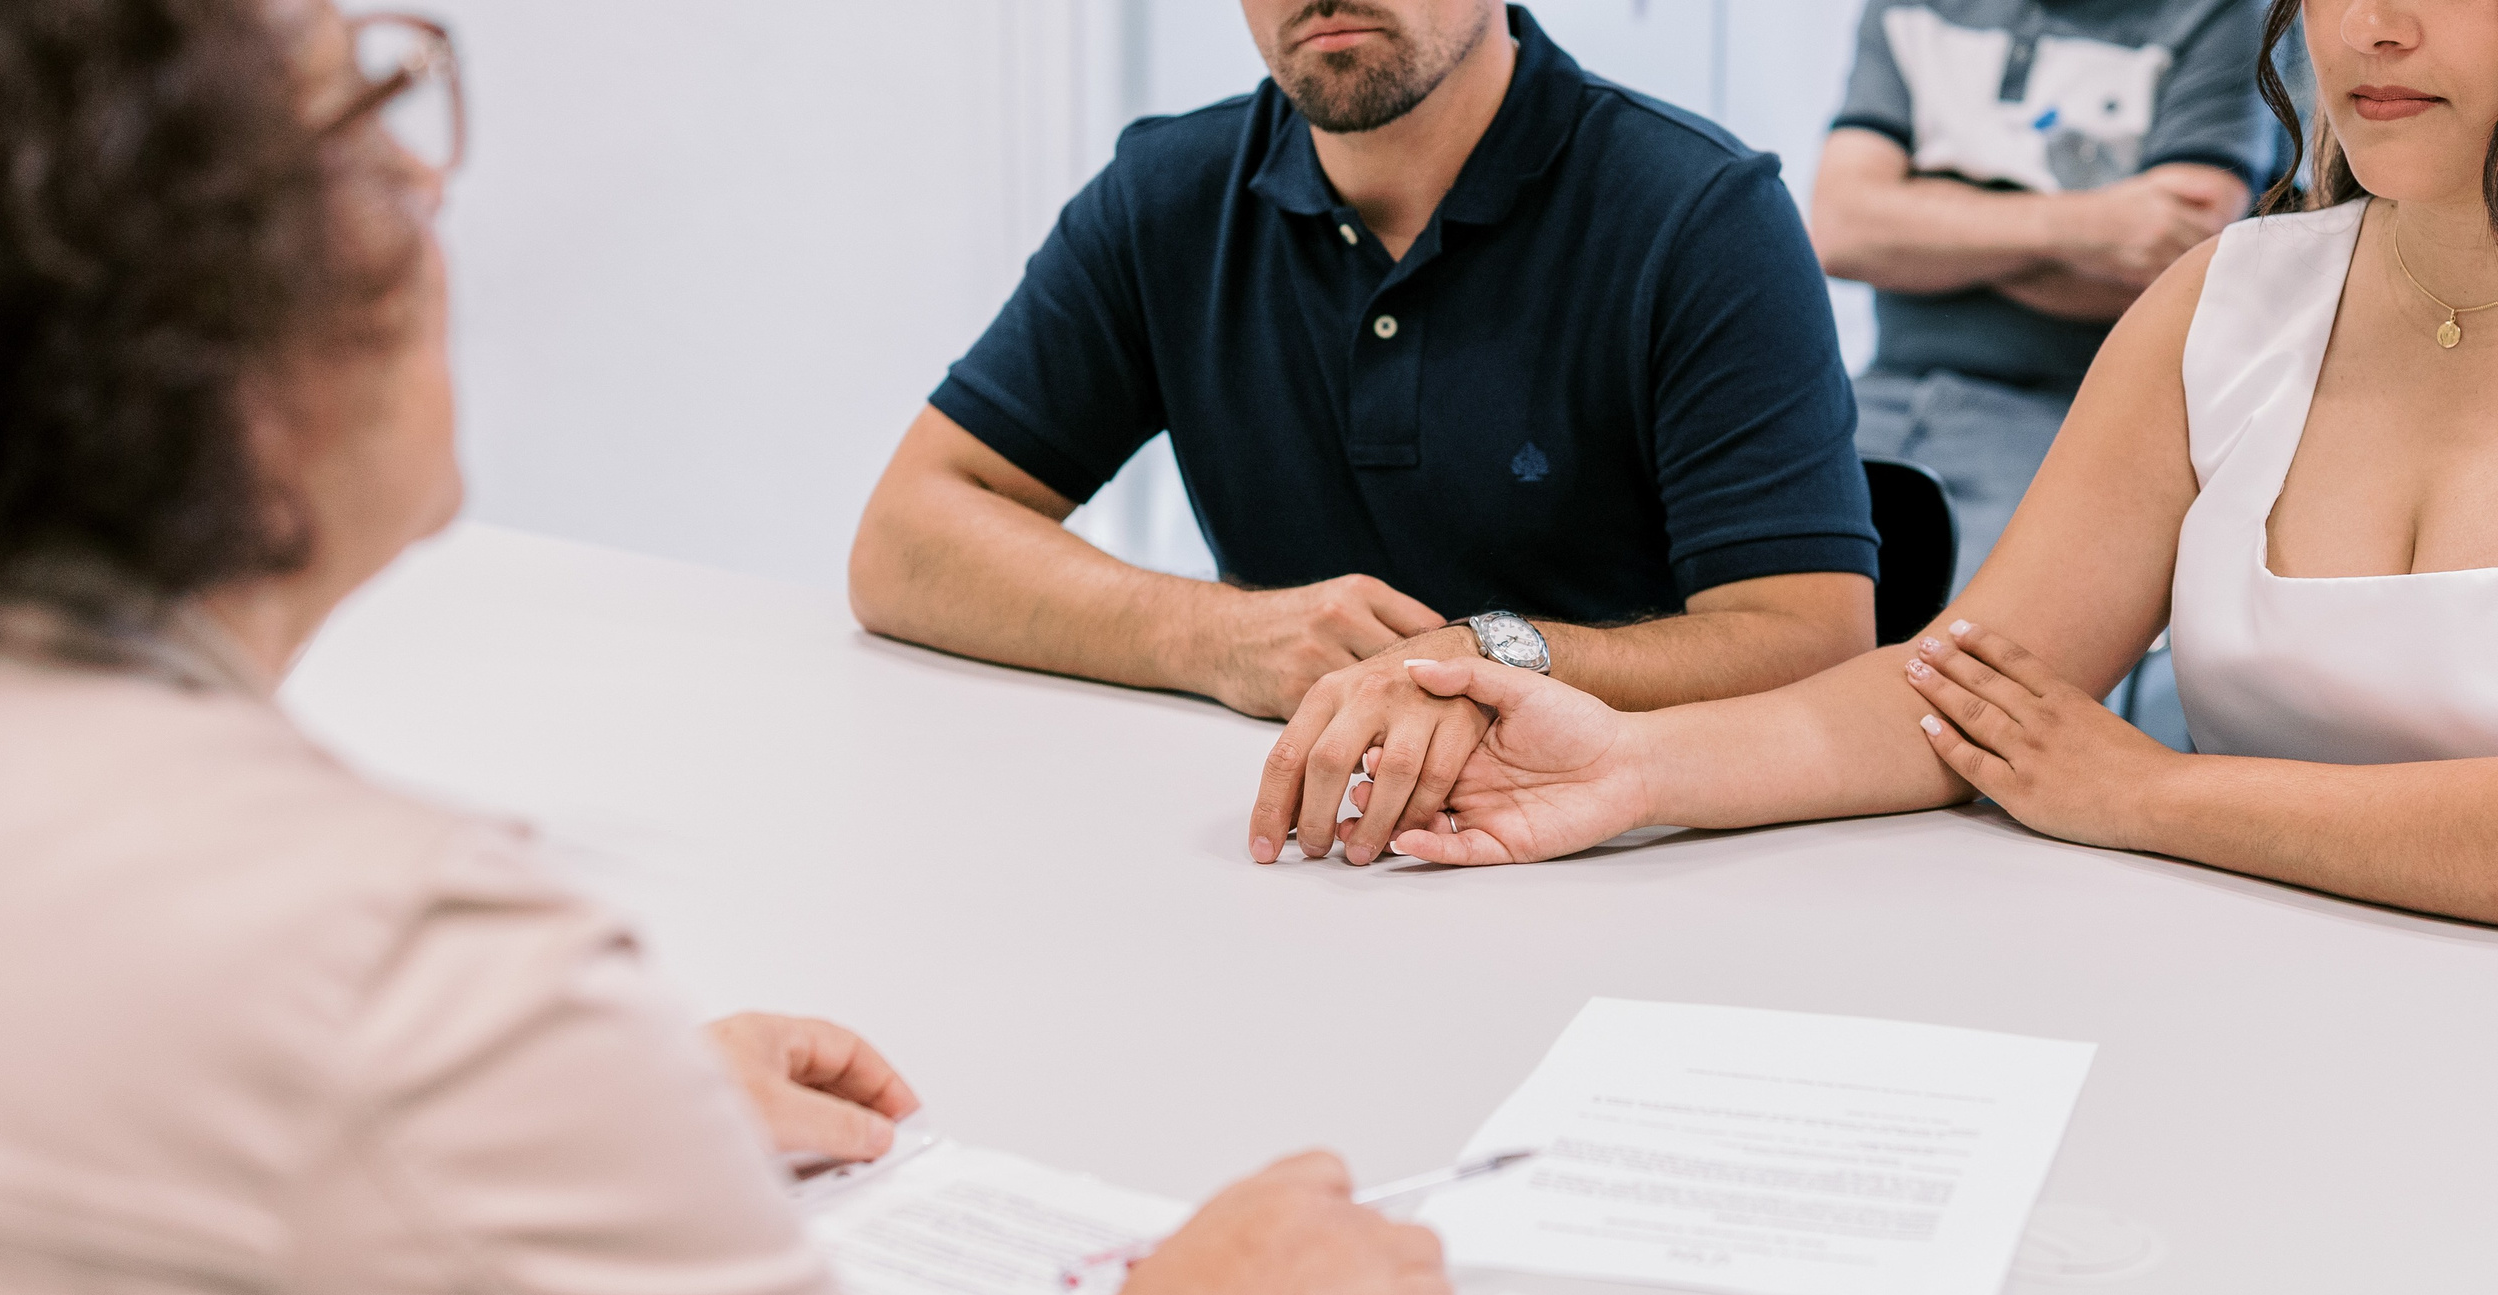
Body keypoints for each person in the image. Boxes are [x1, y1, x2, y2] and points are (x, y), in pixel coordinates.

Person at [0, 8, 1452, 1295]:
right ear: (227, 345)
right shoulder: (390, 969)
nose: (435, 211)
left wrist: (555, 1132)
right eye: (374, 151)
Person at [1369, 0, 2498, 930]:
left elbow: (2103, 776)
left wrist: (2150, 792)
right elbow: (1966, 688)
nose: (2367, 26)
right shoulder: (2229, 299)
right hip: (2242, 1000)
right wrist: (1631, 764)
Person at [851, 0, 1884, 871]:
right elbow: (907, 539)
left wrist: (1484, 659)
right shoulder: (1168, 196)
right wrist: (1218, 635)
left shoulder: (1698, 213)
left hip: (1638, 863)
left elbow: (1814, 641)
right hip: (1303, 864)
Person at [1811, 0, 2273, 592]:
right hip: (1875, 394)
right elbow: (1841, 231)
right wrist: (2088, 227)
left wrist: (1931, 220)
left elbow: (2172, 260)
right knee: (1758, 602)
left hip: (2080, 415)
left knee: (1964, 662)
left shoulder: (2225, 16)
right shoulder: (1911, 9)